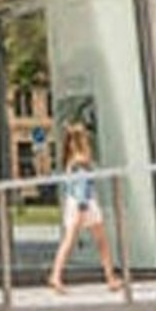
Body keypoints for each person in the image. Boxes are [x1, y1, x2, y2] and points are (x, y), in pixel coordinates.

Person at [46, 120, 121, 294]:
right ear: (82, 140)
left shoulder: (71, 161)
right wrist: (82, 205)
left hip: (76, 202)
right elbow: (82, 185)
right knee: (98, 242)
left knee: (72, 241)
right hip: (84, 203)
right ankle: (109, 278)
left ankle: (57, 276)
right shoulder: (81, 161)